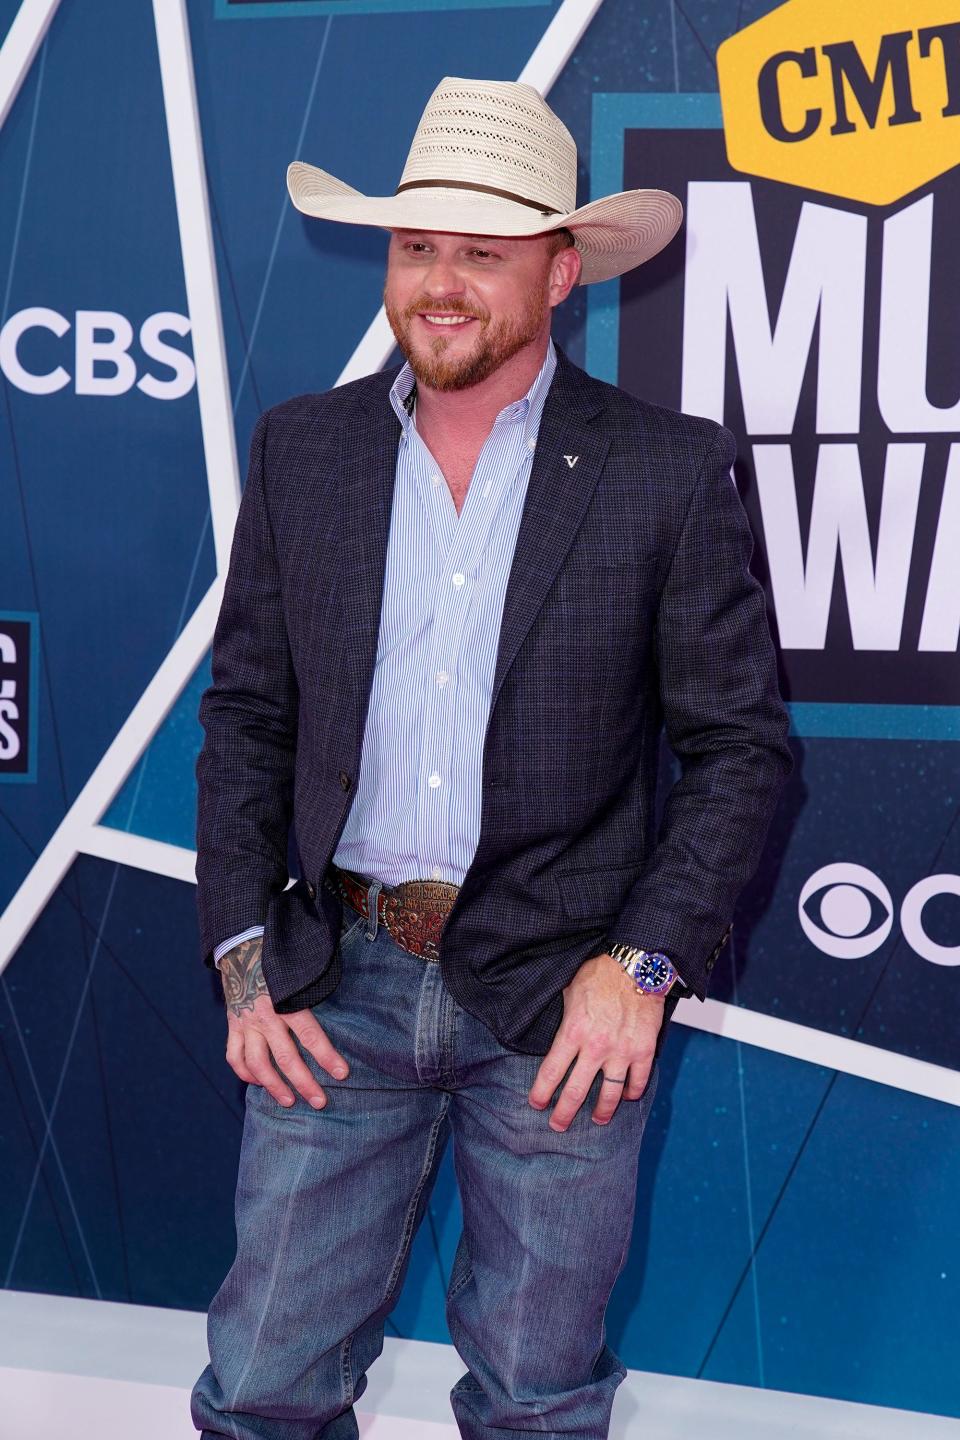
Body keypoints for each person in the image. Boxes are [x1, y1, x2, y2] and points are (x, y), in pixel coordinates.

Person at [190, 76, 793, 1440]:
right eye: (417, 246)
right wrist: (242, 958)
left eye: (482, 250)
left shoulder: (663, 469)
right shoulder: (306, 450)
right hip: (328, 986)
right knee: (263, 1389)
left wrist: (641, 971)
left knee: (537, 1399)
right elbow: (247, 721)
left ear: (562, 269)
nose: (440, 283)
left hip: (562, 1007)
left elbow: (739, 749)